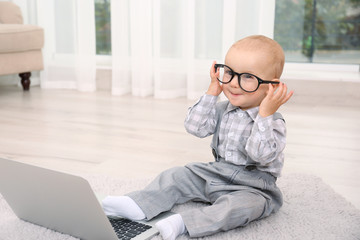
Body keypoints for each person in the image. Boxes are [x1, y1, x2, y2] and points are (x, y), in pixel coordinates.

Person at [102, 35, 294, 240]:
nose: (234, 83)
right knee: (177, 175)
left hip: (254, 187)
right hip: (216, 173)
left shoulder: (272, 122)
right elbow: (195, 127)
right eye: (229, 72)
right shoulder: (222, 109)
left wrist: (264, 114)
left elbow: (260, 155)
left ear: (271, 86)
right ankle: (140, 204)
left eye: (247, 77)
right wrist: (212, 91)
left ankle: (184, 223)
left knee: (241, 208)